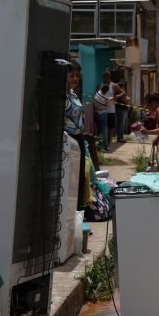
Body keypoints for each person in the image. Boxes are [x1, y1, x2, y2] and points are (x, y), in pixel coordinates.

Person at [64, 60, 87, 210]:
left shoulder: (72, 94)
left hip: (79, 139)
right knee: (71, 178)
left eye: (77, 75)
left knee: (78, 177)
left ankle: (78, 210)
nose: (75, 79)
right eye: (71, 75)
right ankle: (71, 210)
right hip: (69, 140)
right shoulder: (62, 97)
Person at [101, 72, 125, 145]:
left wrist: (116, 97)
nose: (106, 78)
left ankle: (109, 143)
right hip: (102, 110)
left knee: (110, 128)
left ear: (109, 77)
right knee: (103, 127)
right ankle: (104, 143)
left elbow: (123, 93)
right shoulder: (101, 85)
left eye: (107, 77)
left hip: (111, 110)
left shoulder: (114, 85)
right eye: (104, 77)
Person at [93, 84, 112, 151]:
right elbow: (107, 103)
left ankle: (99, 146)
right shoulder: (104, 98)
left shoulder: (97, 93)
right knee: (104, 130)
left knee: (99, 130)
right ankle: (104, 146)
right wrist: (110, 99)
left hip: (96, 113)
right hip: (102, 114)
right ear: (106, 91)